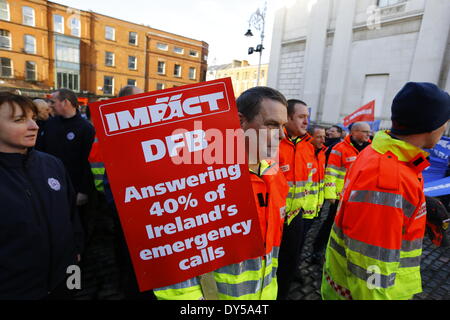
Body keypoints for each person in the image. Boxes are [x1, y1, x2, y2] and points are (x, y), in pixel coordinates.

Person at [154, 86, 289, 300]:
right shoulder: (200, 182)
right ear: (240, 121)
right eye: (272, 125)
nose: (282, 135)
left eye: (283, 126)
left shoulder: (275, 175)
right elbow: (174, 269)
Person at [321, 82, 450, 300]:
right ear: (431, 124)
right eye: (445, 120)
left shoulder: (379, 151)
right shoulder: (390, 178)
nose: (446, 127)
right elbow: (370, 270)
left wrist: (416, 203)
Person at [0, 92, 83, 299]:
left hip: (65, 280)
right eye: (19, 120)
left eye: (33, 118)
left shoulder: (52, 164)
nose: (34, 126)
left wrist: (76, 251)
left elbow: (72, 214)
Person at [35, 88, 96, 241]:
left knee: (77, 225)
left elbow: (88, 162)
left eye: (52, 102)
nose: (49, 106)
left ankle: (79, 257)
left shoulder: (86, 128)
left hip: (75, 189)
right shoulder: (49, 125)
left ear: (66, 102)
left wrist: (84, 191)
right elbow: (39, 154)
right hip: (49, 186)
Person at [312, 121, 371, 263]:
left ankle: (340, 254)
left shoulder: (371, 149)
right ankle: (317, 251)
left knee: (351, 227)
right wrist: (331, 195)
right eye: (365, 132)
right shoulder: (340, 148)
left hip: (360, 196)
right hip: (340, 196)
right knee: (330, 224)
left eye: (369, 133)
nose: (368, 135)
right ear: (354, 132)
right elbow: (331, 172)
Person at [277, 99, 316, 299]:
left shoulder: (308, 147)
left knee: (290, 261)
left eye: (307, 117)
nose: (306, 121)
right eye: (301, 117)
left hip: (296, 217)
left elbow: (308, 183)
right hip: (273, 218)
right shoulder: (272, 144)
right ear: (287, 118)